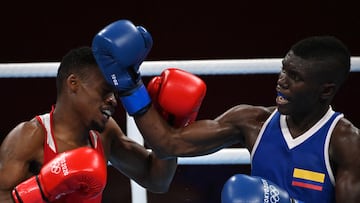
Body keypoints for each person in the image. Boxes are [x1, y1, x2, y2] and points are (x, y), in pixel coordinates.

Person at [93, 30, 360, 203]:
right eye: (284, 70)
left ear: (325, 91)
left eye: (295, 77)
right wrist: (130, 85)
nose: (282, 81)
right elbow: (169, 143)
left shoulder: (346, 143)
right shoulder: (252, 121)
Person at [0, 20, 206, 203]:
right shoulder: (30, 137)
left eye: (114, 93)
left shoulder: (104, 134)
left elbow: (156, 180)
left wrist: (169, 124)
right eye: (105, 91)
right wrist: (42, 188)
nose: (113, 100)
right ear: (74, 83)